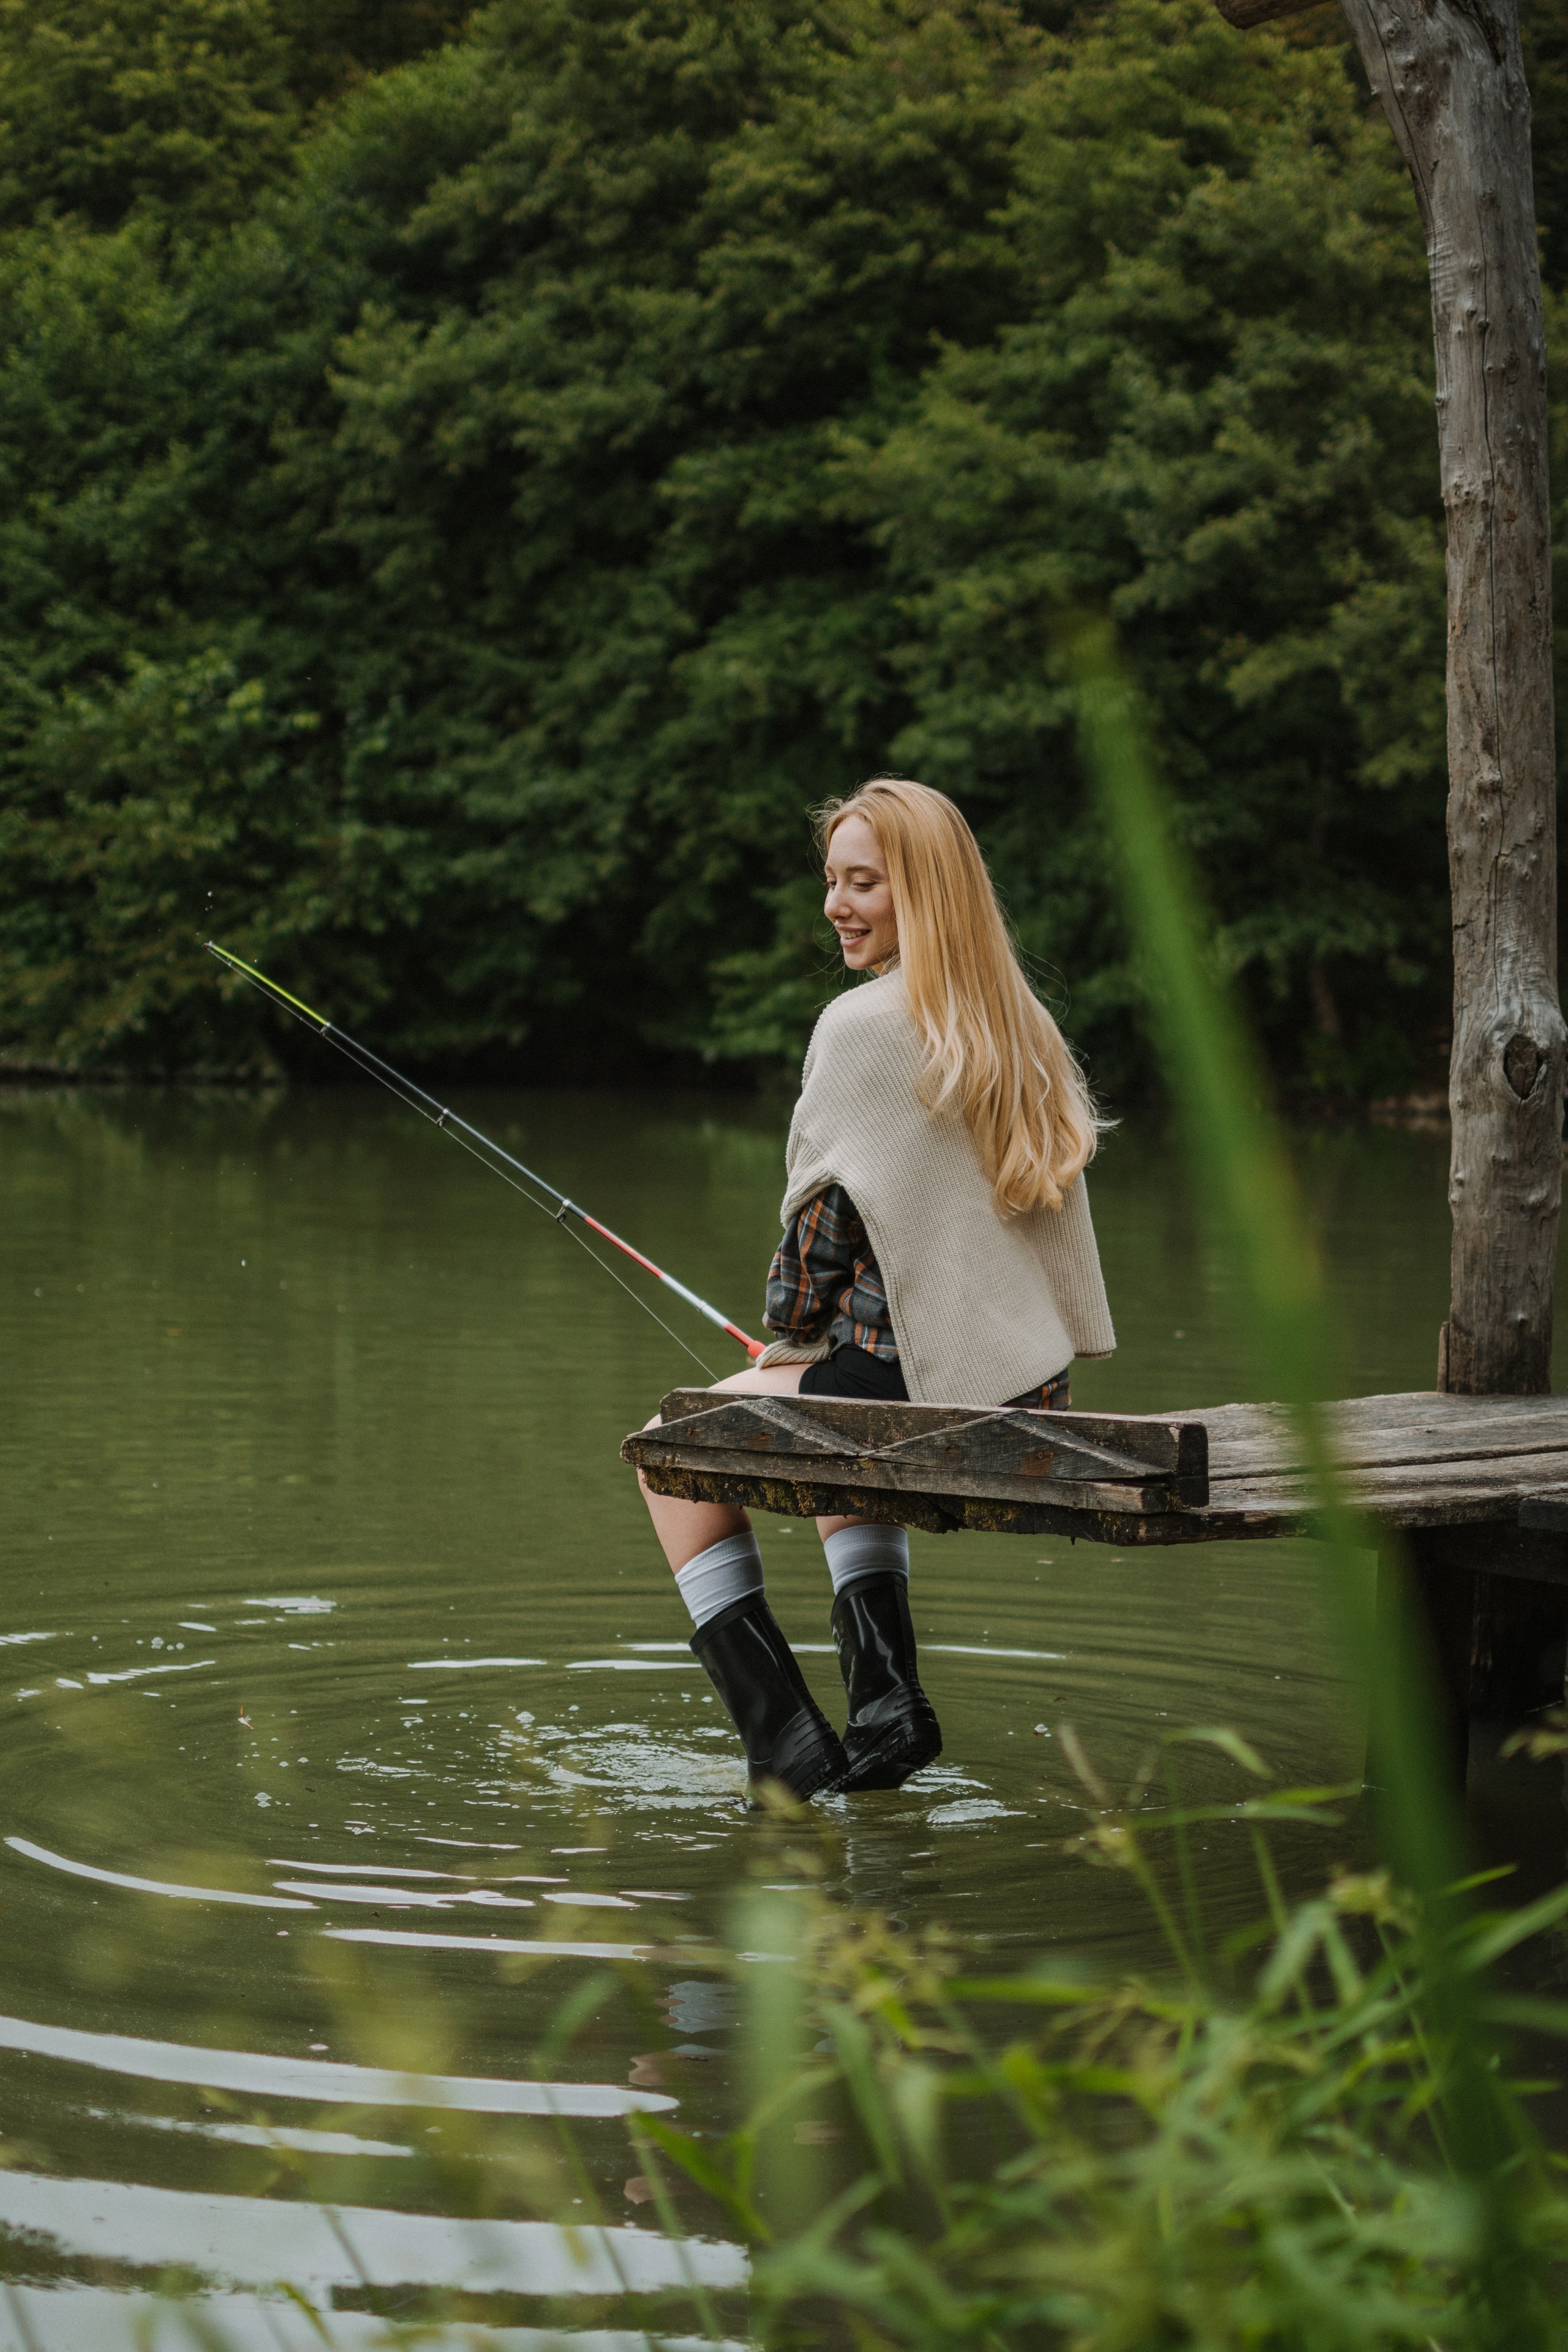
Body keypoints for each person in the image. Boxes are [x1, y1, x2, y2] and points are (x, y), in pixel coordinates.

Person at [636, 777, 1115, 1801]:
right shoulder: (1014, 1018)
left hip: (910, 1385)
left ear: (924, 894)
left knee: (666, 1457)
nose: (836, 906)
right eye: (832, 881)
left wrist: (788, 1338)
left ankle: (783, 1742)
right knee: (829, 1417)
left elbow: (822, 1228)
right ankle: (887, 1707)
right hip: (1021, 1383)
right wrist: (812, 1359)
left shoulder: (862, 1024)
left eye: (864, 883)